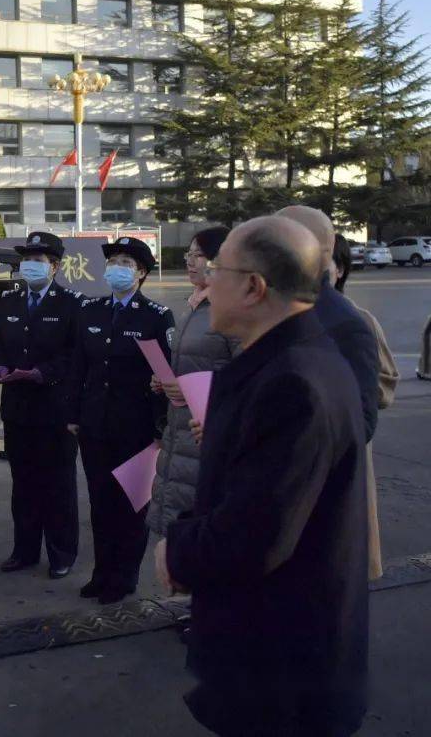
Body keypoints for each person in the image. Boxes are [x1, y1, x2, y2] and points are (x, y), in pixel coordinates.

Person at [158, 216, 368, 737]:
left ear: (253, 287)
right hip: (271, 654)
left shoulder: (293, 381)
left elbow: (254, 533)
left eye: (216, 269)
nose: (206, 281)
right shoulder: (285, 360)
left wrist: (176, 549)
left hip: (281, 666)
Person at [68, 236, 175, 604]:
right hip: (95, 423)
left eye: (127, 263)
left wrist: (161, 429)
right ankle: (102, 573)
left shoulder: (156, 317)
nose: (117, 268)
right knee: (100, 503)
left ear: (142, 273)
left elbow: (166, 376)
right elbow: (77, 367)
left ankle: (124, 576)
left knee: (131, 504)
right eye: (114, 260)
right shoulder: (90, 310)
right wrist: (73, 415)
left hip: (137, 427)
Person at [0, 231, 83, 579]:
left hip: (56, 408)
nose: (30, 265)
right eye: (26, 259)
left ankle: (61, 553)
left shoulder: (72, 304)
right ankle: (24, 550)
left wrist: (43, 373)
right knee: (23, 483)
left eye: (38, 260)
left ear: (55, 267)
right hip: (17, 407)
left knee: (57, 484)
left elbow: (75, 355)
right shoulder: (9, 301)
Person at [147, 227, 238, 539]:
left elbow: (249, 378)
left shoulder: (233, 311)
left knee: (207, 531)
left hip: (209, 434)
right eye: (189, 254)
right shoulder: (192, 307)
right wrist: (165, 379)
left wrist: (190, 388)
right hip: (180, 430)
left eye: (198, 255)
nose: (190, 261)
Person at [276, 205, 378, 442]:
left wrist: (274, 432)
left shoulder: (345, 325)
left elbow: (358, 424)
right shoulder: (269, 308)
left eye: (273, 242)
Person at [332, 234, 396, 581]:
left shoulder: (358, 320)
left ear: (338, 270)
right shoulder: (278, 318)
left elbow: (386, 385)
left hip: (346, 448)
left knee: (342, 552)